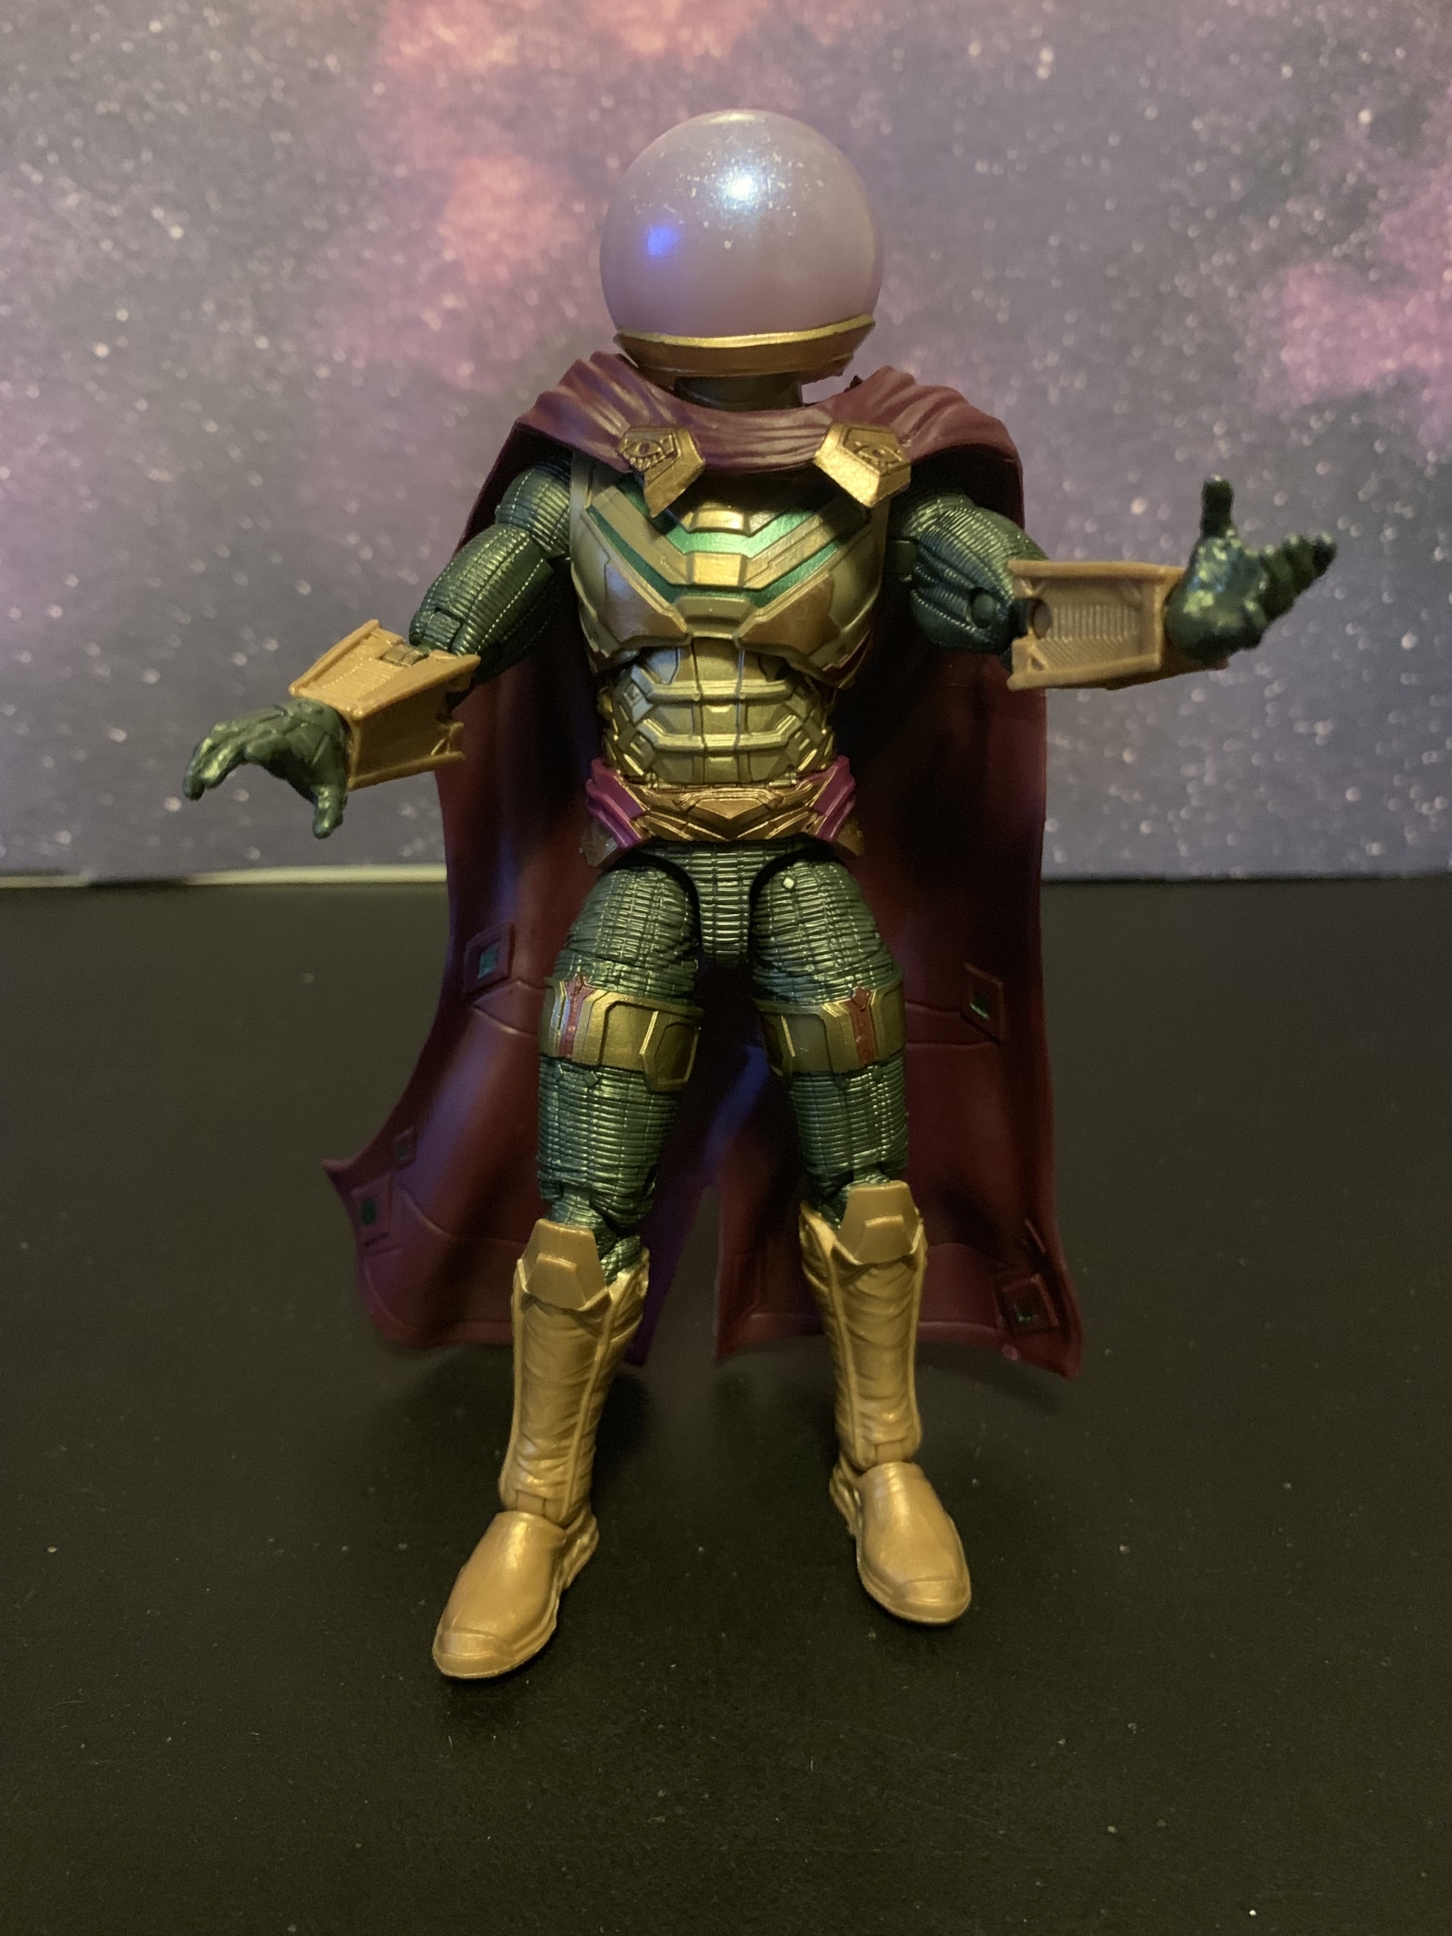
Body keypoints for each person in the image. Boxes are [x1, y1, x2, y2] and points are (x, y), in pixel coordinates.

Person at [184, 110, 1334, 1679]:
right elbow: (450, 647)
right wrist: (325, 719)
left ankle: (884, 1459)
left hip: (804, 864)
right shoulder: (579, 484)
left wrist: (1181, 625)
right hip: (646, 867)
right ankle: (539, 1499)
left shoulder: (885, 485)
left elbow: (1017, 611)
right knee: (580, 1215)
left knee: (869, 1189)